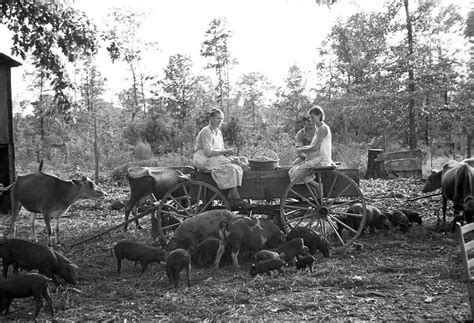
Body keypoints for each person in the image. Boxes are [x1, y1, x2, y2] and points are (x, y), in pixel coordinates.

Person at [193, 108, 252, 210]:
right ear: (211, 118)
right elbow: (209, 152)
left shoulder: (218, 132)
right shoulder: (206, 131)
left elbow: (221, 150)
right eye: (218, 118)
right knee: (231, 168)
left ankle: (230, 195)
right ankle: (236, 197)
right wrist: (226, 152)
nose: (220, 121)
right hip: (203, 159)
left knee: (240, 162)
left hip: (215, 157)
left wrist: (232, 157)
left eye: (222, 119)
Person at [288, 105, 335, 186]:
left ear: (319, 115)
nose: (311, 120)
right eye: (310, 117)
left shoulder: (323, 128)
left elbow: (315, 147)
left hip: (321, 159)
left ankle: (317, 186)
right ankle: (315, 187)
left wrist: (301, 150)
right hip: (315, 157)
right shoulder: (317, 128)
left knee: (295, 173)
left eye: (313, 117)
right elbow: (312, 145)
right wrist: (301, 149)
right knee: (291, 171)